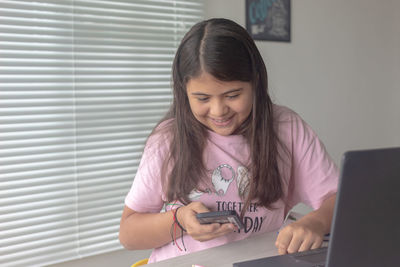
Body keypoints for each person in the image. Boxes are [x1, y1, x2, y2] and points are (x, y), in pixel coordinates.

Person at [119, 18, 338, 263]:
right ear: (184, 91)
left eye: (232, 95)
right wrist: (179, 221)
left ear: (255, 81)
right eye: (202, 98)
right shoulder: (168, 140)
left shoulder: (286, 128)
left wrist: (317, 222)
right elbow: (129, 234)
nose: (218, 110)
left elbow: (338, 198)